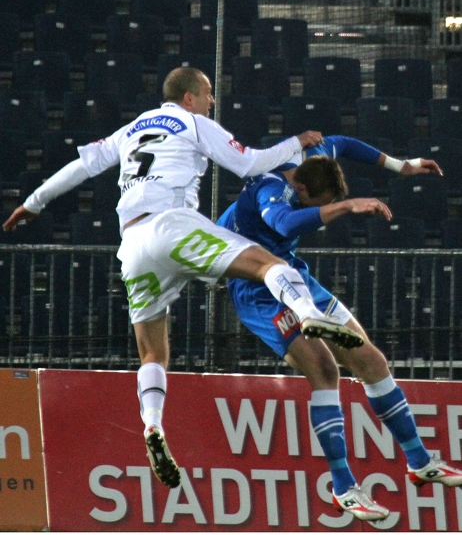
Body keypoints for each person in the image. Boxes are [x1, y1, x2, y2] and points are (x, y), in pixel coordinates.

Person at [2, 68, 364, 490]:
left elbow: (79, 168)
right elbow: (248, 163)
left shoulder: (130, 129)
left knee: (153, 354)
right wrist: (295, 143)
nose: (212, 101)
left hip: (133, 246)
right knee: (269, 265)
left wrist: (32, 203)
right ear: (189, 97)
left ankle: (152, 426)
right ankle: (308, 315)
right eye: (208, 94)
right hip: (172, 225)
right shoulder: (193, 122)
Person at [216, 135, 462, 522]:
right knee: (326, 371)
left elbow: (342, 142)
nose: (325, 209)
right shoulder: (270, 188)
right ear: (299, 187)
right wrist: (345, 207)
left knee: (371, 359)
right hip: (256, 285)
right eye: (320, 203)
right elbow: (283, 220)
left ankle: (419, 460)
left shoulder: (314, 157)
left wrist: (402, 165)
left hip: (291, 272)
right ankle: (344, 487)